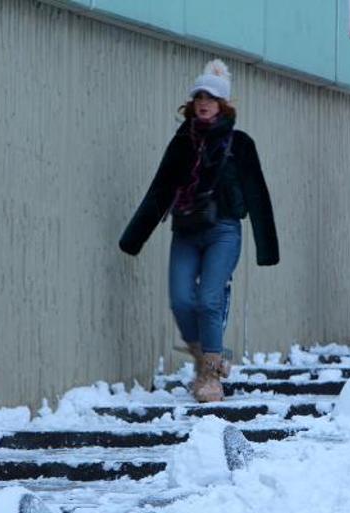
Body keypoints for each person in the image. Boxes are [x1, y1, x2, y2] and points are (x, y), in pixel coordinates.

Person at [119, 59, 279, 402]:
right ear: (192, 103)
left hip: (223, 230)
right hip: (186, 230)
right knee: (180, 299)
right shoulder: (182, 142)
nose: (204, 102)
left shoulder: (240, 144)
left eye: (211, 97)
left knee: (208, 300)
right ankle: (209, 354)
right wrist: (134, 238)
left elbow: (257, 194)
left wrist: (267, 247)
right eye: (199, 96)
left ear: (223, 104)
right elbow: (160, 189)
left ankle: (209, 377)